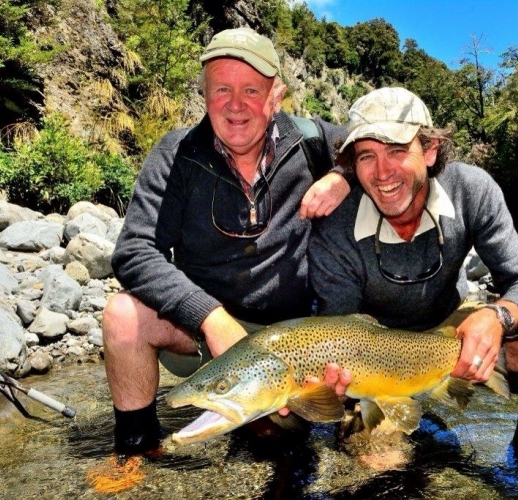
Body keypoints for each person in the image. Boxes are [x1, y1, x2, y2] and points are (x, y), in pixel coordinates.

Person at [308, 87, 518, 478]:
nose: (382, 172)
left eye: (397, 150)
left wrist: (497, 317)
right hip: (373, 361)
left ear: (431, 150)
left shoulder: (472, 189)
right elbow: (341, 334)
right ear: (353, 164)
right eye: (367, 156)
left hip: (451, 336)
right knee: (382, 468)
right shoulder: (335, 225)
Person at [103, 27, 350, 456]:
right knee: (122, 314)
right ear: (204, 95)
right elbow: (134, 251)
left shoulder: (316, 141)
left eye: (252, 90)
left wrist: (343, 175)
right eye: (222, 89)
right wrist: (211, 319)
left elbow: (390, 153)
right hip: (202, 332)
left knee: (276, 439)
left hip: (292, 342)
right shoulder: (177, 153)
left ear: (277, 96)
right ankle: (135, 451)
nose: (235, 105)